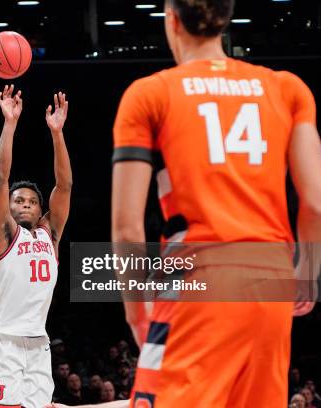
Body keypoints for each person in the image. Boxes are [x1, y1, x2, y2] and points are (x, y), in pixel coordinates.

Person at [111, 0, 321, 406]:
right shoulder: (287, 88)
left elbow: (126, 227)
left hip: (198, 281)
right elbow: (314, 202)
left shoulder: (149, 94)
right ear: (226, 20)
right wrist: (307, 274)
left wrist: (137, 313)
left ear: (171, 20)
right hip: (271, 282)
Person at [0, 85, 72, 408]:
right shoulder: (4, 233)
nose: (27, 204)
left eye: (33, 201)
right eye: (20, 200)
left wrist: (57, 134)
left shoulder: (51, 234)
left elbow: (65, 185)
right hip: (4, 339)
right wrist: (9, 124)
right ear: (10, 207)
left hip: (38, 341)